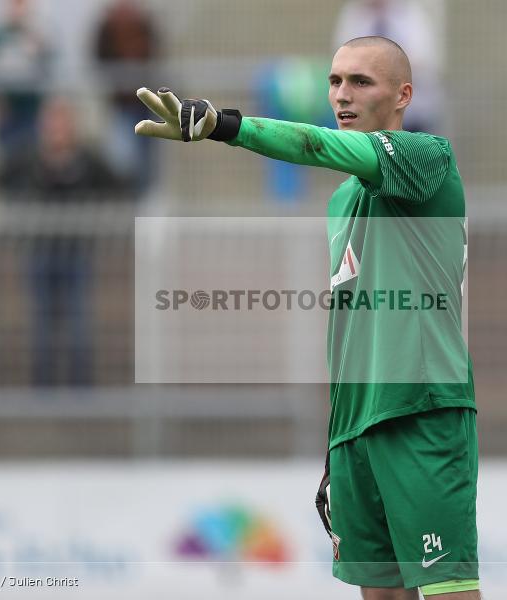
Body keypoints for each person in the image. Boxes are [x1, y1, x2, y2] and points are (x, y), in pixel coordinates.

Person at [134, 36, 479, 600]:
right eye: (335, 82)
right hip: (355, 428)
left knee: (450, 592)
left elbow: (315, 147)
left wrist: (226, 125)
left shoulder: (429, 158)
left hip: (422, 414)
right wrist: (339, 439)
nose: (342, 95)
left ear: (403, 95)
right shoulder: (342, 201)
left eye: (361, 82)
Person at [0, 97, 120, 387]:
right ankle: (44, 385)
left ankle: (81, 386)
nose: (57, 130)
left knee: (79, 320)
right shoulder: (27, 156)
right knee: (41, 320)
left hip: (76, 251)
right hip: (39, 250)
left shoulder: (87, 159)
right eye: (52, 122)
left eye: (63, 123)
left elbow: (117, 185)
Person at [332, 0, 445, 134]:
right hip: (366, 114)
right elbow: (342, 58)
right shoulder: (353, 15)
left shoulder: (413, 15)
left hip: (413, 113)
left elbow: (424, 61)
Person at [93, 0, 164, 194]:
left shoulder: (145, 22)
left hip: (147, 106)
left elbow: (156, 55)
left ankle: (143, 202)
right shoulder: (107, 24)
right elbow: (99, 57)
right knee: (123, 162)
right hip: (122, 106)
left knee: (147, 163)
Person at [0, 0, 54, 163]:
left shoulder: (38, 32)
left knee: (33, 159)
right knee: (7, 160)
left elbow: (50, 65)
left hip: (32, 110)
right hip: (7, 111)